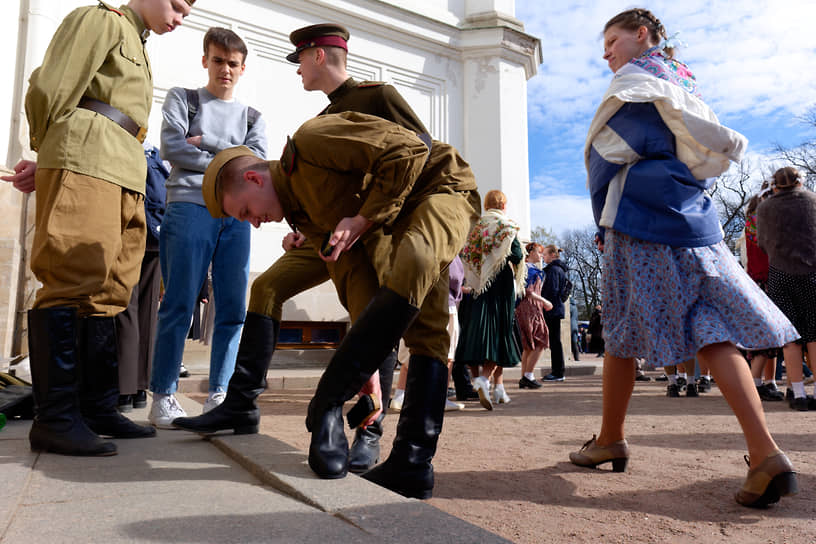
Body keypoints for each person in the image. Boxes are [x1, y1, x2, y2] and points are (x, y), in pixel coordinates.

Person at [171, 23, 435, 474]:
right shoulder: (321, 118)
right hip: (325, 231)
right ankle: (241, 403)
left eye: (300, 62)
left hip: (373, 226)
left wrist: (371, 220)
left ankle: (368, 428)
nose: (296, 73)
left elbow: (419, 153)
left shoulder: (378, 97)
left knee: (372, 313)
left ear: (318, 56)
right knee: (269, 286)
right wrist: (302, 224)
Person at [570, 8, 799, 508]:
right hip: (696, 219)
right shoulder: (685, 86)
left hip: (640, 220)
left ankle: (611, 438)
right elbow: (704, 159)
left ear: (642, 35)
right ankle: (765, 453)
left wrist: (602, 220)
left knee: (622, 330)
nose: (605, 52)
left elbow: (602, 156)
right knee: (711, 326)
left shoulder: (634, 84)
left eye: (612, 40)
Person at [199, 110, 479, 499]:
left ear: (253, 177)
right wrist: (364, 366)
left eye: (245, 211)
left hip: (436, 185)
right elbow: (355, 276)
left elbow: (411, 151)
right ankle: (412, 465)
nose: (255, 224)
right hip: (395, 219)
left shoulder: (312, 139)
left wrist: (363, 218)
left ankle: (326, 402)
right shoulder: (304, 217)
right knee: (426, 330)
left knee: (414, 263)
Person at [0, 0, 194, 456]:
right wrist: (51, 156)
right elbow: (50, 88)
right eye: (177, 6)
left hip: (126, 170)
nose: (179, 19)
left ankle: (96, 406)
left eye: (187, 13)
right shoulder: (100, 19)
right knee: (71, 276)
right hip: (88, 158)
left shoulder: (140, 43)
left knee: (110, 290)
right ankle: (56, 419)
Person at [145, 27, 268, 428]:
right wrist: (231, 154)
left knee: (233, 308)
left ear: (242, 68)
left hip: (237, 216)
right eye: (218, 60)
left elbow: (258, 165)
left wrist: (205, 145)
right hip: (188, 207)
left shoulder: (253, 116)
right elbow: (172, 146)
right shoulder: (185, 98)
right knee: (178, 302)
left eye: (233, 64)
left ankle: (220, 393)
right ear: (205, 61)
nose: (225, 70)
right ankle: (162, 396)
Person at [456, 190, 526, 409]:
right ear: (503, 205)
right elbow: (516, 256)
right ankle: (484, 380)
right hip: (500, 284)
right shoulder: (507, 226)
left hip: (476, 283)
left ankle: (497, 388)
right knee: (499, 332)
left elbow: (465, 254)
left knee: (474, 332)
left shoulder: (475, 227)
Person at [757, 166, 816, 410]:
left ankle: (799, 395)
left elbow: (762, 243)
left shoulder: (765, 207)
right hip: (813, 271)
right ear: (800, 182)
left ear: (776, 184)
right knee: (815, 335)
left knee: (790, 338)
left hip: (780, 273)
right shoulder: (813, 200)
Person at [116, 143, 168, 413]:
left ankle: (123, 389)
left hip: (130, 233)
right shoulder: (155, 154)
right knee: (148, 312)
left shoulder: (123, 146)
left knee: (127, 307)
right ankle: (139, 389)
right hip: (157, 237)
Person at [516, 242, 553, 389]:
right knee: (542, 338)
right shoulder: (528, 269)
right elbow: (528, 292)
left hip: (529, 307)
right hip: (530, 307)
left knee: (529, 345)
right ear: (530, 252)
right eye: (539, 252)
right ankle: (528, 375)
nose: (541, 255)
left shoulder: (528, 269)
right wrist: (545, 301)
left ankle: (525, 376)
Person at [540, 245, 569, 381]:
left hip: (551, 309)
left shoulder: (553, 270)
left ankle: (557, 372)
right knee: (555, 340)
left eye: (545, 254)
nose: (543, 257)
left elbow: (551, 291)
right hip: (556, 308)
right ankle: (558, 371)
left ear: (552, 255)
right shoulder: (560, 270)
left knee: (554, 341)